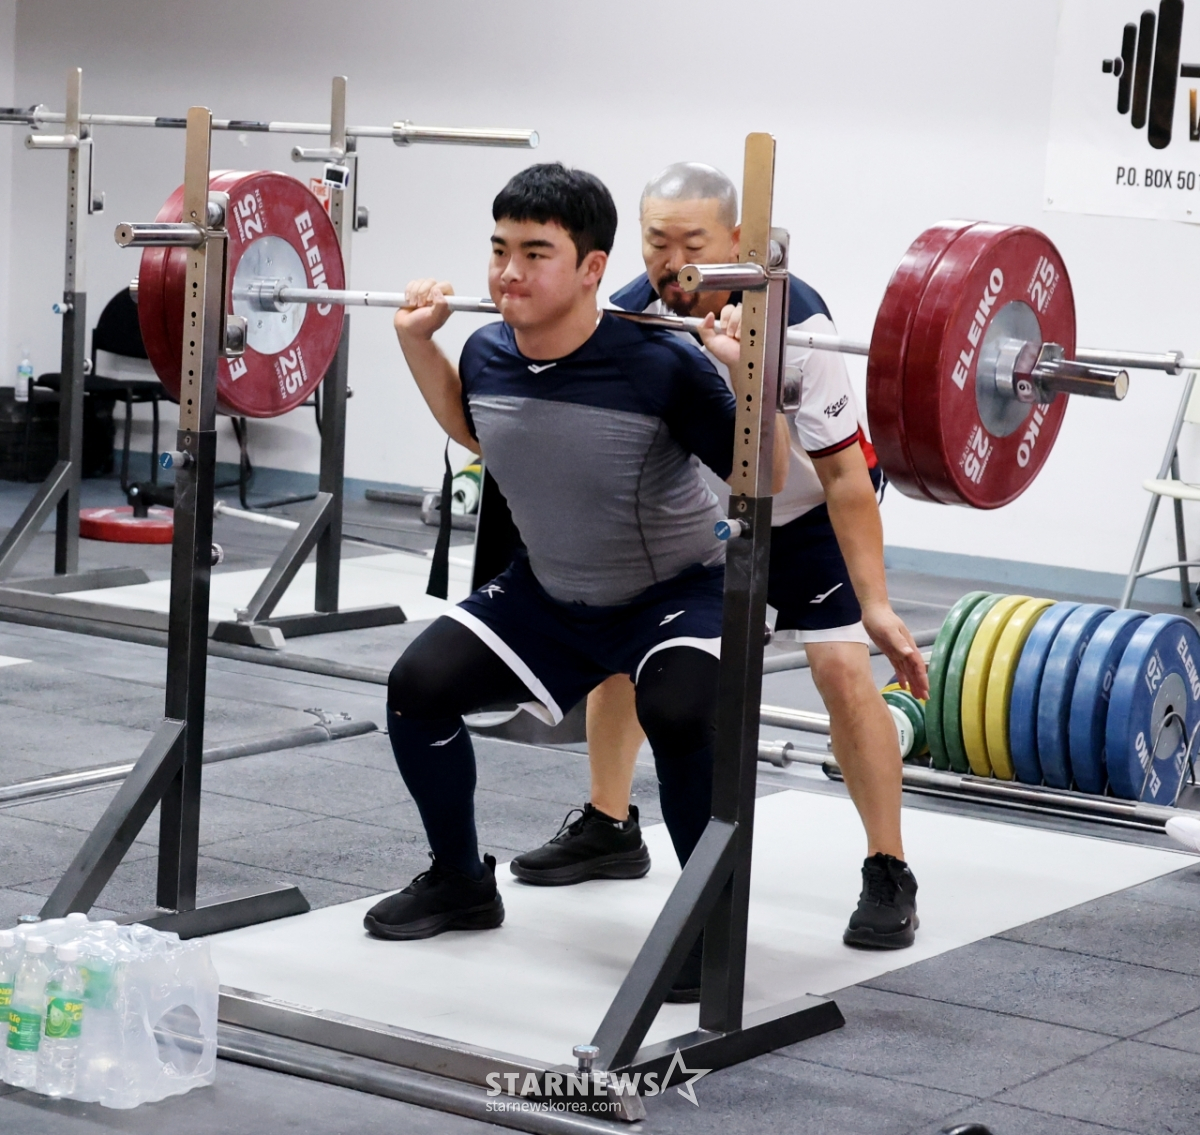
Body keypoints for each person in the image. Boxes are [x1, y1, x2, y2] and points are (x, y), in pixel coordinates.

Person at [368, 163, 789, 988]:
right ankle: (460, 881)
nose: (508, 273)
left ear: (593, 268)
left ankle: (708, 925)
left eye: (535, 253)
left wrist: (751, 379)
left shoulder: (658, 363)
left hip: (676, 592)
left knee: (676, 709)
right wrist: (419, 344)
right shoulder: (487, 349)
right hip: (553, 592)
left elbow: (764, 471)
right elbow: (477, 428)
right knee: (417, 684)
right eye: (499, 251)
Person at [510, 162, 930, 951]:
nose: (671, 263)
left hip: (807, 514)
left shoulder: (797, 321)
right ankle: (610, 823)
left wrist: (874, 604)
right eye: (655, 242)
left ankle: (888, 866)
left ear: (736, 240)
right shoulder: (630, 316)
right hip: (706, 513)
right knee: (625, 651)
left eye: (691, 243)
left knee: (840, 670)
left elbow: (844, 475)